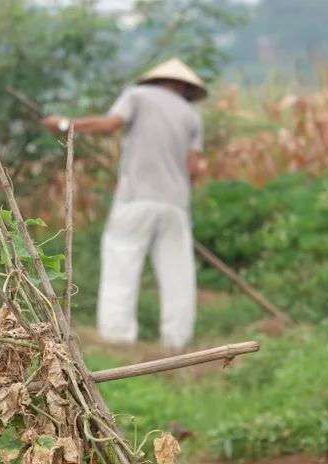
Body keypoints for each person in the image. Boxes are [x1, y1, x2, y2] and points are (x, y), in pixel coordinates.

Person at [43, 57, 208, 350]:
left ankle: (117, 340)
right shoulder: (192, 116)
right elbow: (194, 168)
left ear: (158, 80)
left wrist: (65, 124)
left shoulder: (138, 96)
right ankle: (177, 341)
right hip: (175, 205)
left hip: (136, 199)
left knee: (122, 260)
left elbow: (110, 125)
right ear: (184, 86)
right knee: (178, 273)